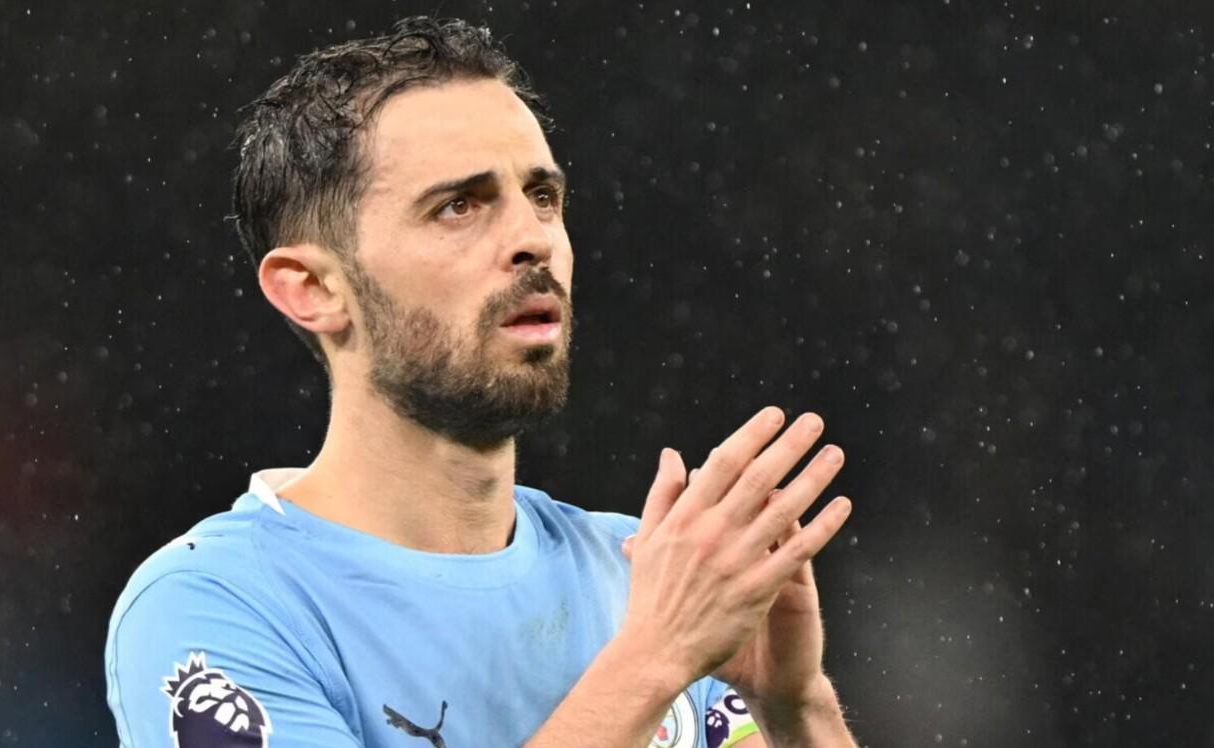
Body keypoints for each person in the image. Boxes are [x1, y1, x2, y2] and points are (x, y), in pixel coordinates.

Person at [104, 16, 858, 748]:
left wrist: (796, 709)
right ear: (315, 289)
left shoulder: (642, 572)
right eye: (458, 206)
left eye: (543, 197)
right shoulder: (217, 605)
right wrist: (652, 662)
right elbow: (656, 653)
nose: (533, 239)